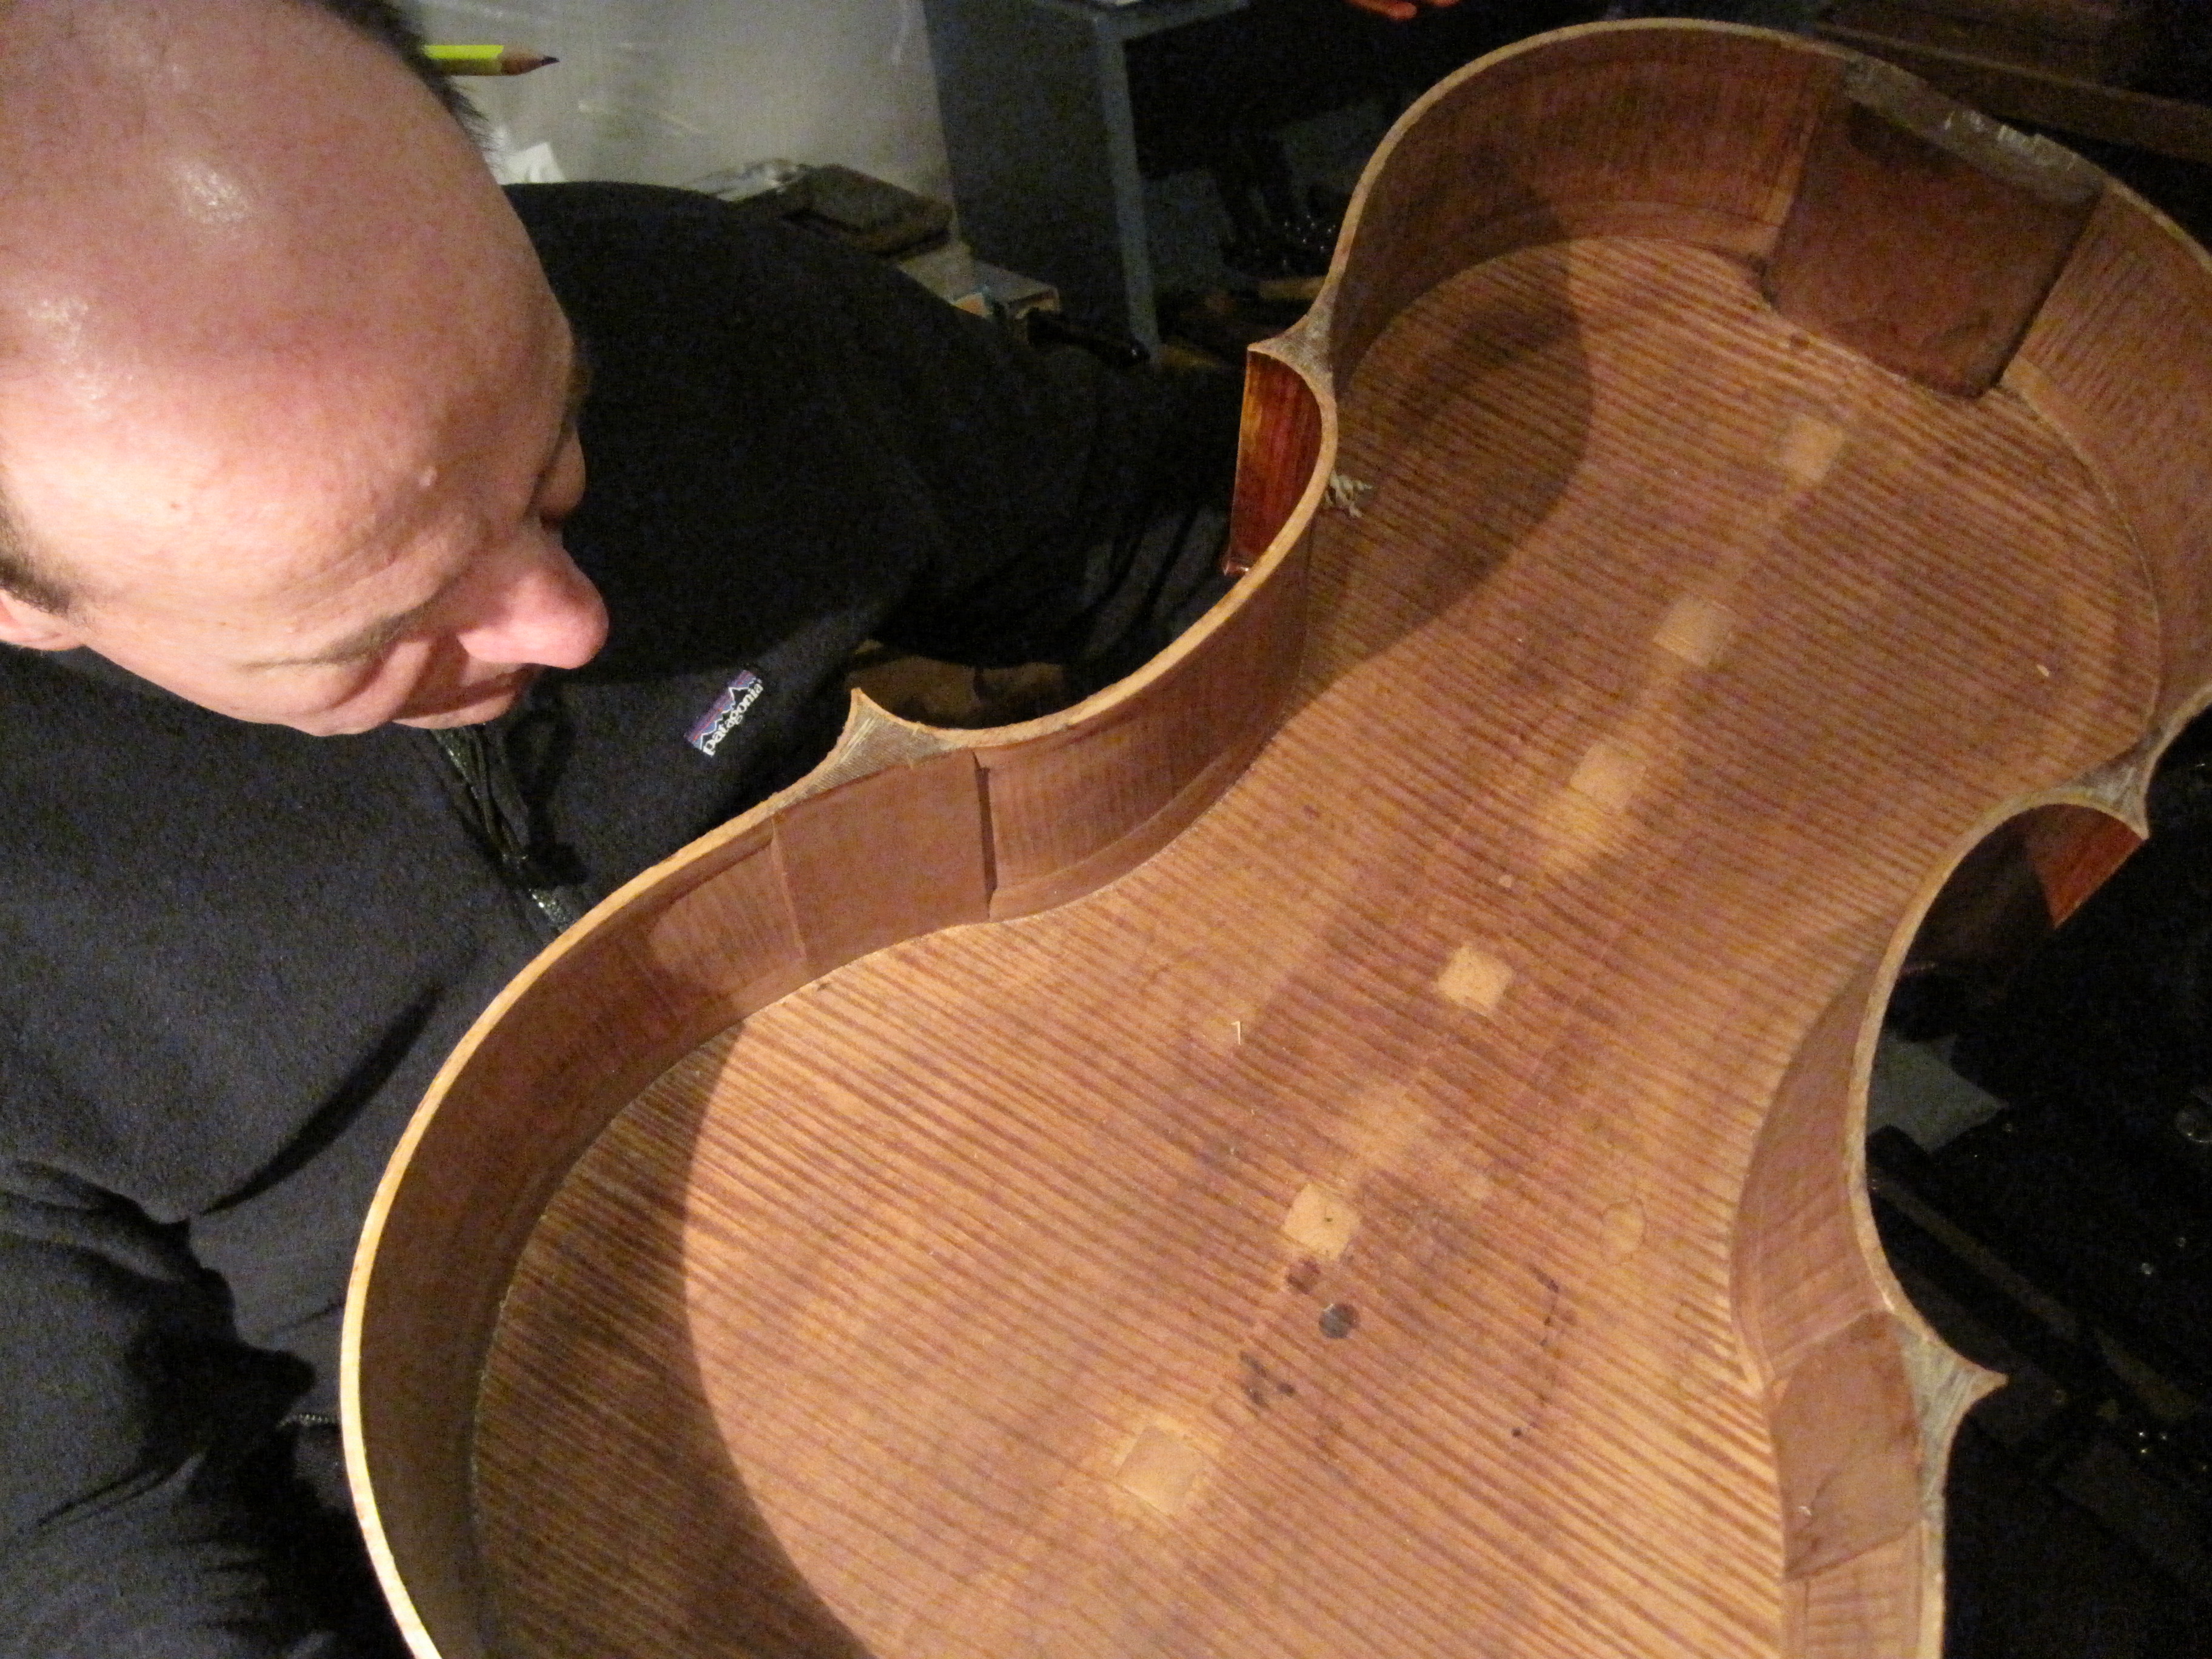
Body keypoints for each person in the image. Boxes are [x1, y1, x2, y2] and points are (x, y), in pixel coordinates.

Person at [0, 2, 1236, 1654]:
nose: (569, 621)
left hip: (1068, 1165)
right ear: (26, 599)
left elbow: (1163, 523)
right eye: (382, 629)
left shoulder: (698, 302)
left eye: (554, 442)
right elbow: (84, 1540)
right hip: (519, 1504)